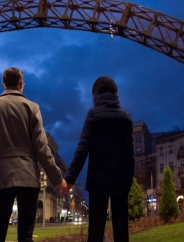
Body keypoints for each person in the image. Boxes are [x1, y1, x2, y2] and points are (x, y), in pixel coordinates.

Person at [0, 67, 68, 242]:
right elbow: (42, 148)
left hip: (1, 178)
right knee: (25, 235)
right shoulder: (32, 108)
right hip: (28, 177)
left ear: (3, 84)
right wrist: (58, 179)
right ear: (21, 84)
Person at [62, 76, 134, 242]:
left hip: (98, 180)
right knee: (121, 228)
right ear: (116, 94)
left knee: (96, 229)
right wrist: (129, 180)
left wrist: (70, 178)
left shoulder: (94, 115)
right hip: (121, 181)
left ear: (96, 96)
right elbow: (130, 155)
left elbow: (83, 148)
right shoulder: (126, 118)